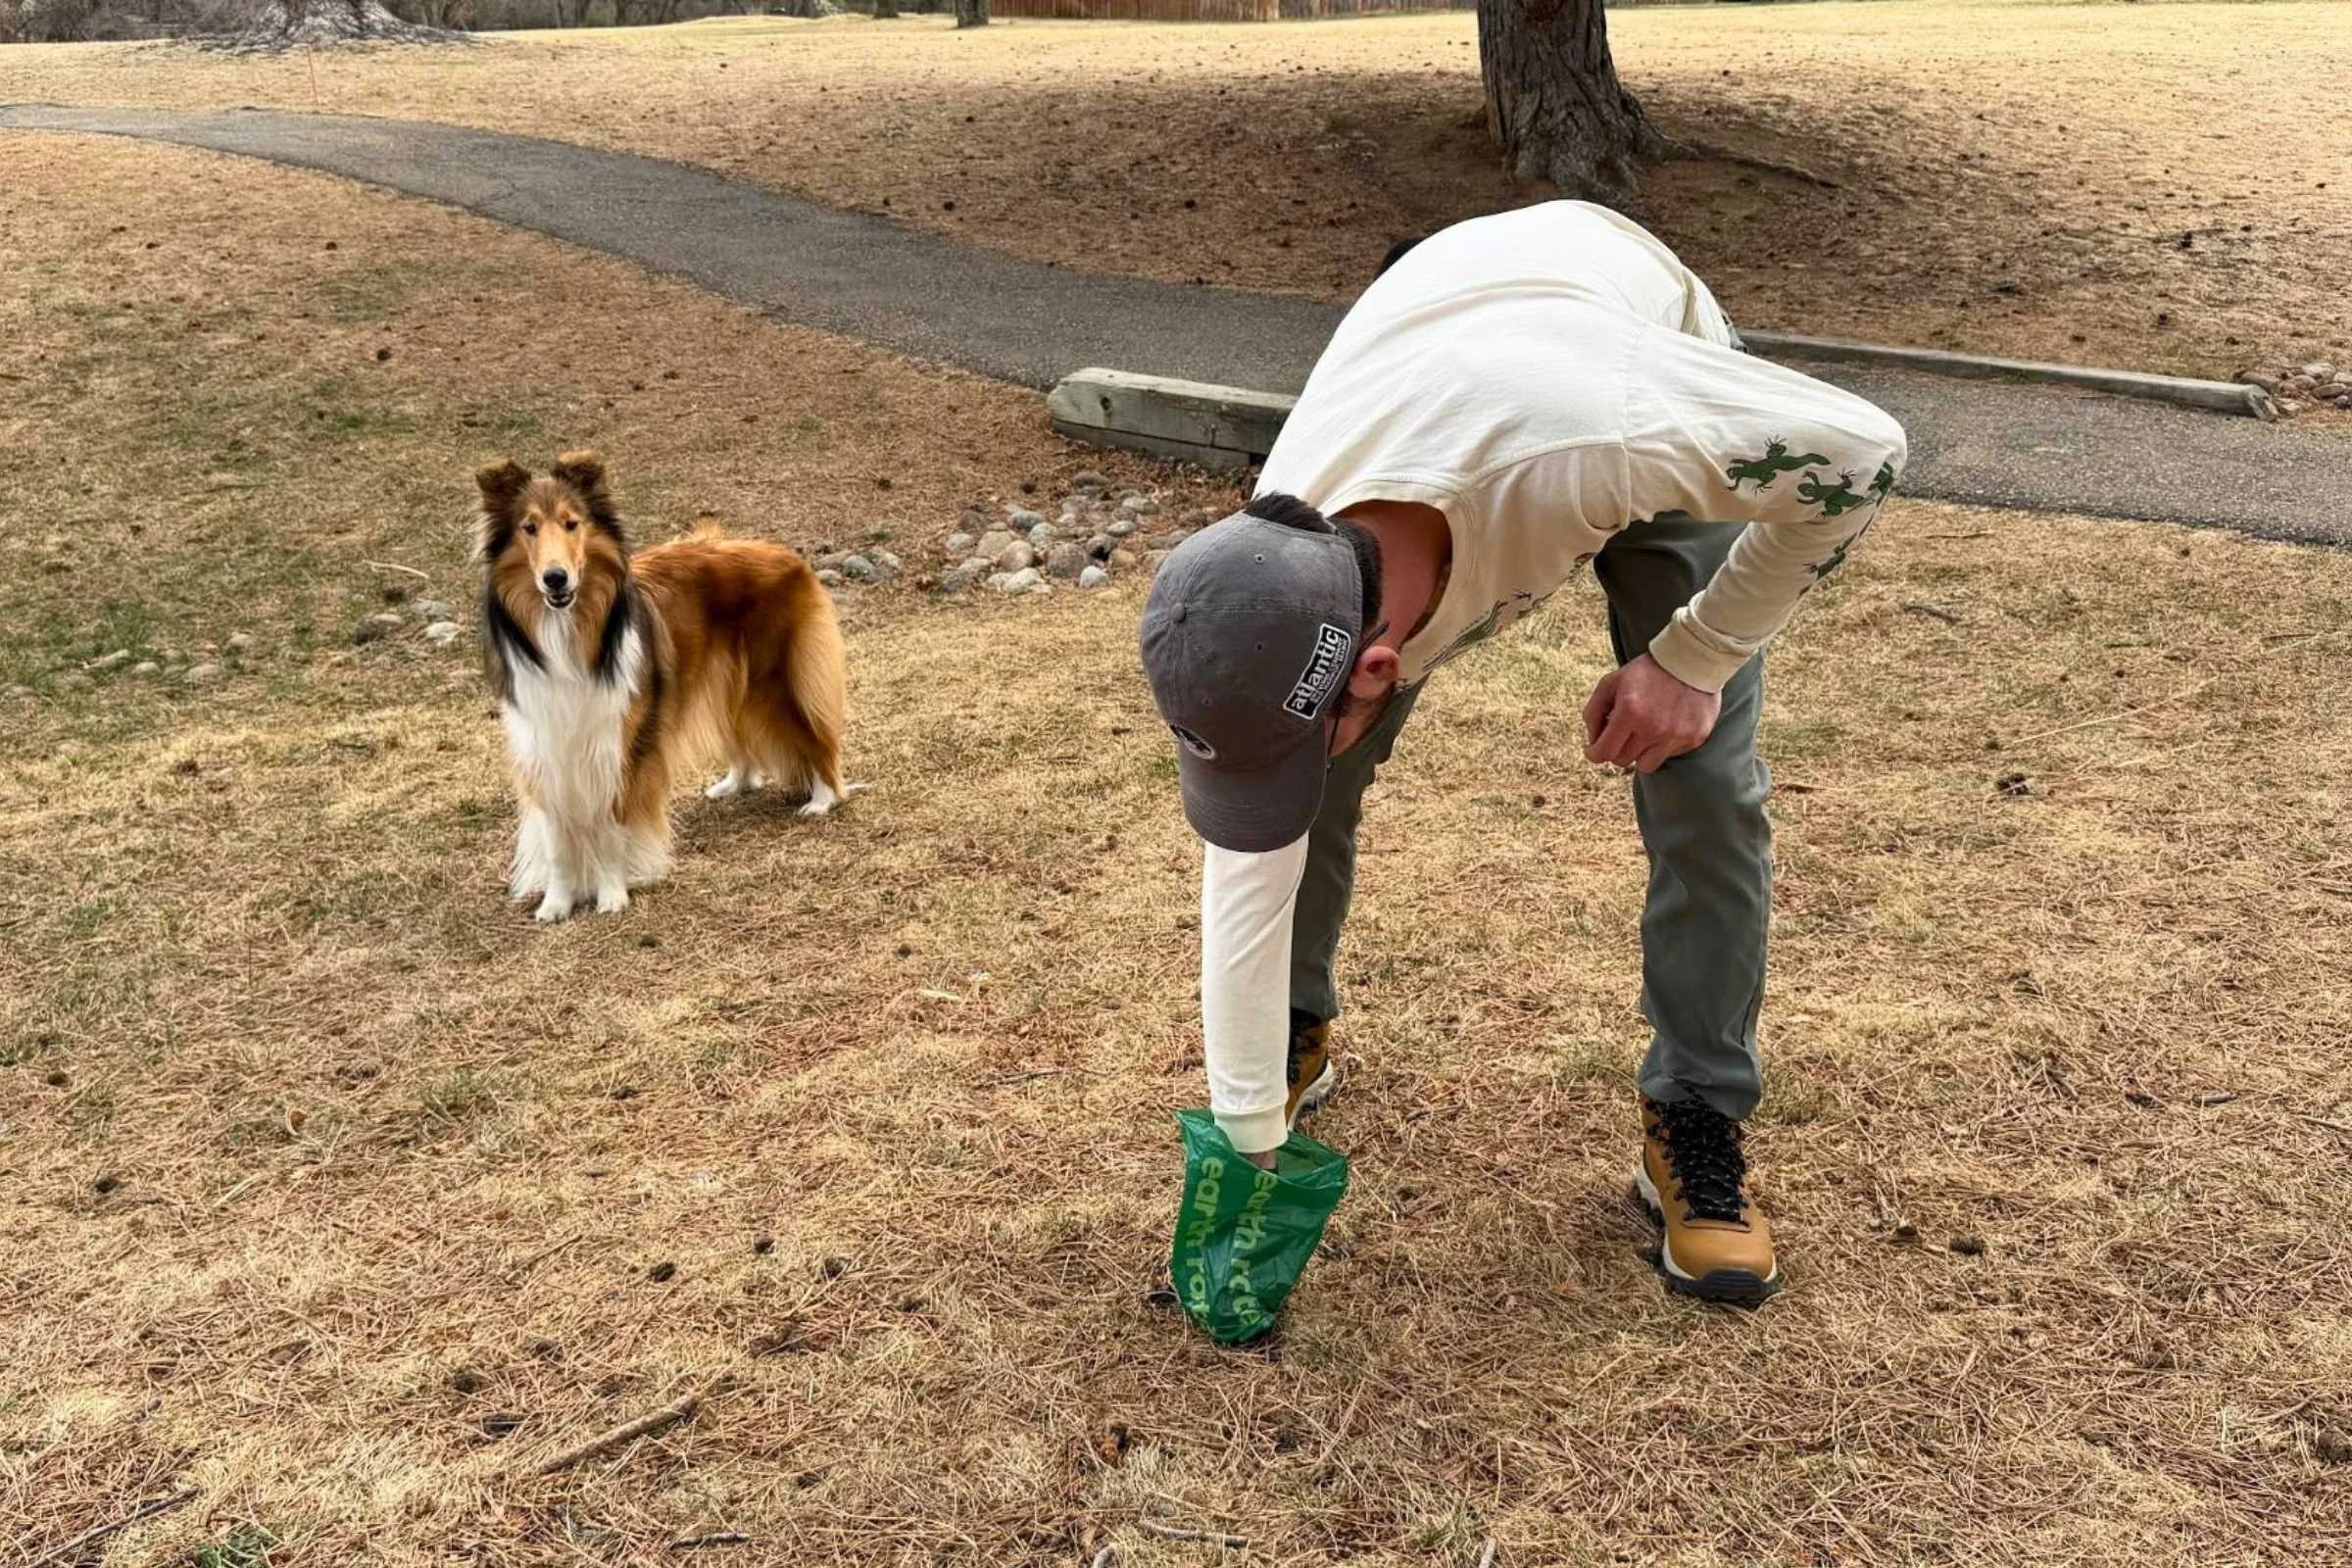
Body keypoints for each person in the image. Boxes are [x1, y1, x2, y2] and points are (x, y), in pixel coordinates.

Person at [1139, 201, 1908, 1306]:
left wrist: (1696, 657)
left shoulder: (1622, 430)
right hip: (1451, 337)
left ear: (1378, 670)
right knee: (1315, 783)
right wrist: (1246, 1147)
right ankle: (1296, 1029)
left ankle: (1696, 1114)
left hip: (1617, 351)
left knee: (1704, 781)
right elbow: (1248, 865)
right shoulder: (1277, 547)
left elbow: (1864, 451)